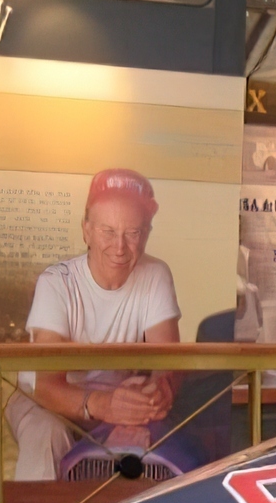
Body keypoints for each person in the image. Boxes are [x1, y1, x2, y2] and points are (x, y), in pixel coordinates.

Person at [11, 168, 180, 480]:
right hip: (46, 403)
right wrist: (107, 406)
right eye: (108, 231)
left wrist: (154, 394)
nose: (120, 247)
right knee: (46, 434)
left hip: (118, 401)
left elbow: (168, 363)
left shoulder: (155, 274)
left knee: (154, 449)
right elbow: (46, 387)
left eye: (133, 233)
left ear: (146, 234)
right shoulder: (56, 282)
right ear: (86, 231)